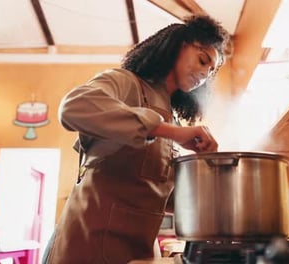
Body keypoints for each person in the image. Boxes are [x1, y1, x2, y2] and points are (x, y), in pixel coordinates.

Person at [43, 15, 230, 264]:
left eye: (211, 70)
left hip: (137, 251)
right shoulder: (126, 83)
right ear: (179, 44)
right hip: (90, 244)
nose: (205, 73)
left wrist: (207, 165)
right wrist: (170, 132)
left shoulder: (171, 118)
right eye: (203, 59)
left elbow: (160, 195)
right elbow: (73, 107)